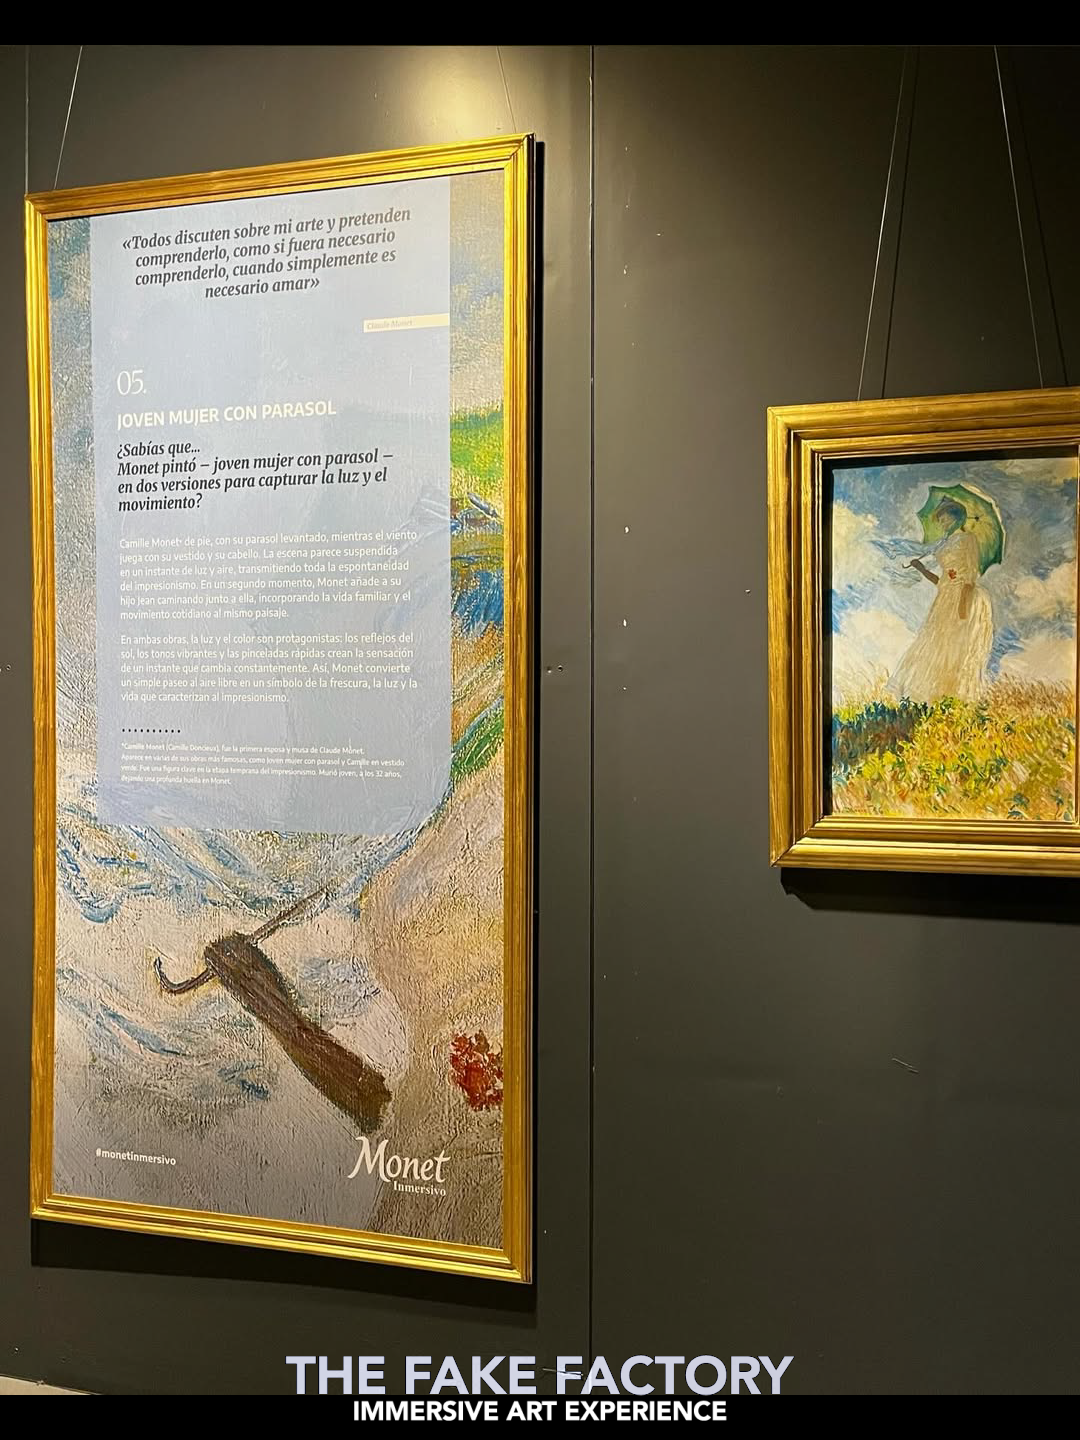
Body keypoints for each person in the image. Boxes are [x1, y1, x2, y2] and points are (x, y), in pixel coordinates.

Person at [887, 498, 993, 703]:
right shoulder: (945, 543)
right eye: (941, 519)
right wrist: (921, 568)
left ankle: (956, 698)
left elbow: (970, 575)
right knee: (938, 646)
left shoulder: (967, 539)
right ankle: (937, 698)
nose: (942, 523)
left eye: (945, 518)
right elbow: (943, 582)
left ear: (957, 518)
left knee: (955, 647)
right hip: (945, 599)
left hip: (963, 599)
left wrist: (962, 606)